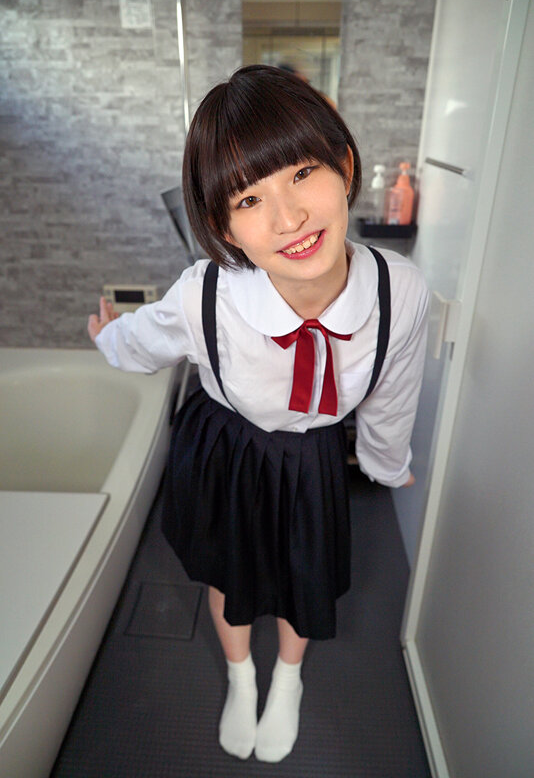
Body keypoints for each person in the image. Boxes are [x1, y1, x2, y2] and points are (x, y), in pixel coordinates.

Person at [88, 64, 428, 764]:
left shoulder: (400, 292)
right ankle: (241, 677)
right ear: (224, 226)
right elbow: (146, 337)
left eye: (303, 173)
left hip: (312, 453)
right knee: (230, 574)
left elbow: (393, 393)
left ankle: (289, 680)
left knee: (303, 575)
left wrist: (387, 462)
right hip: (227, 447)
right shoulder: (205, 294)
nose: (289, 218)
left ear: (344, 165)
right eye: (248, 198)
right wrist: (108, 339)